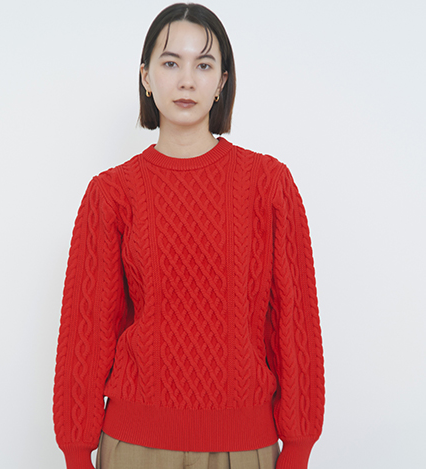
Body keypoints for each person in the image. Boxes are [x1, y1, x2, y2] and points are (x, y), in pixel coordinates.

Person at [53, 3, 325, 469]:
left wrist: (298, 446)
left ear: (222, 81)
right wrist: (77, 451)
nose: (186, 81)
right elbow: (88, 327)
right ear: (146, 77)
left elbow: (294, 319)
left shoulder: (268, 184)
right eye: (170, 63)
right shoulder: (112, 193)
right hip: (134, 446)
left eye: (203, 65)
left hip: (244, 446)